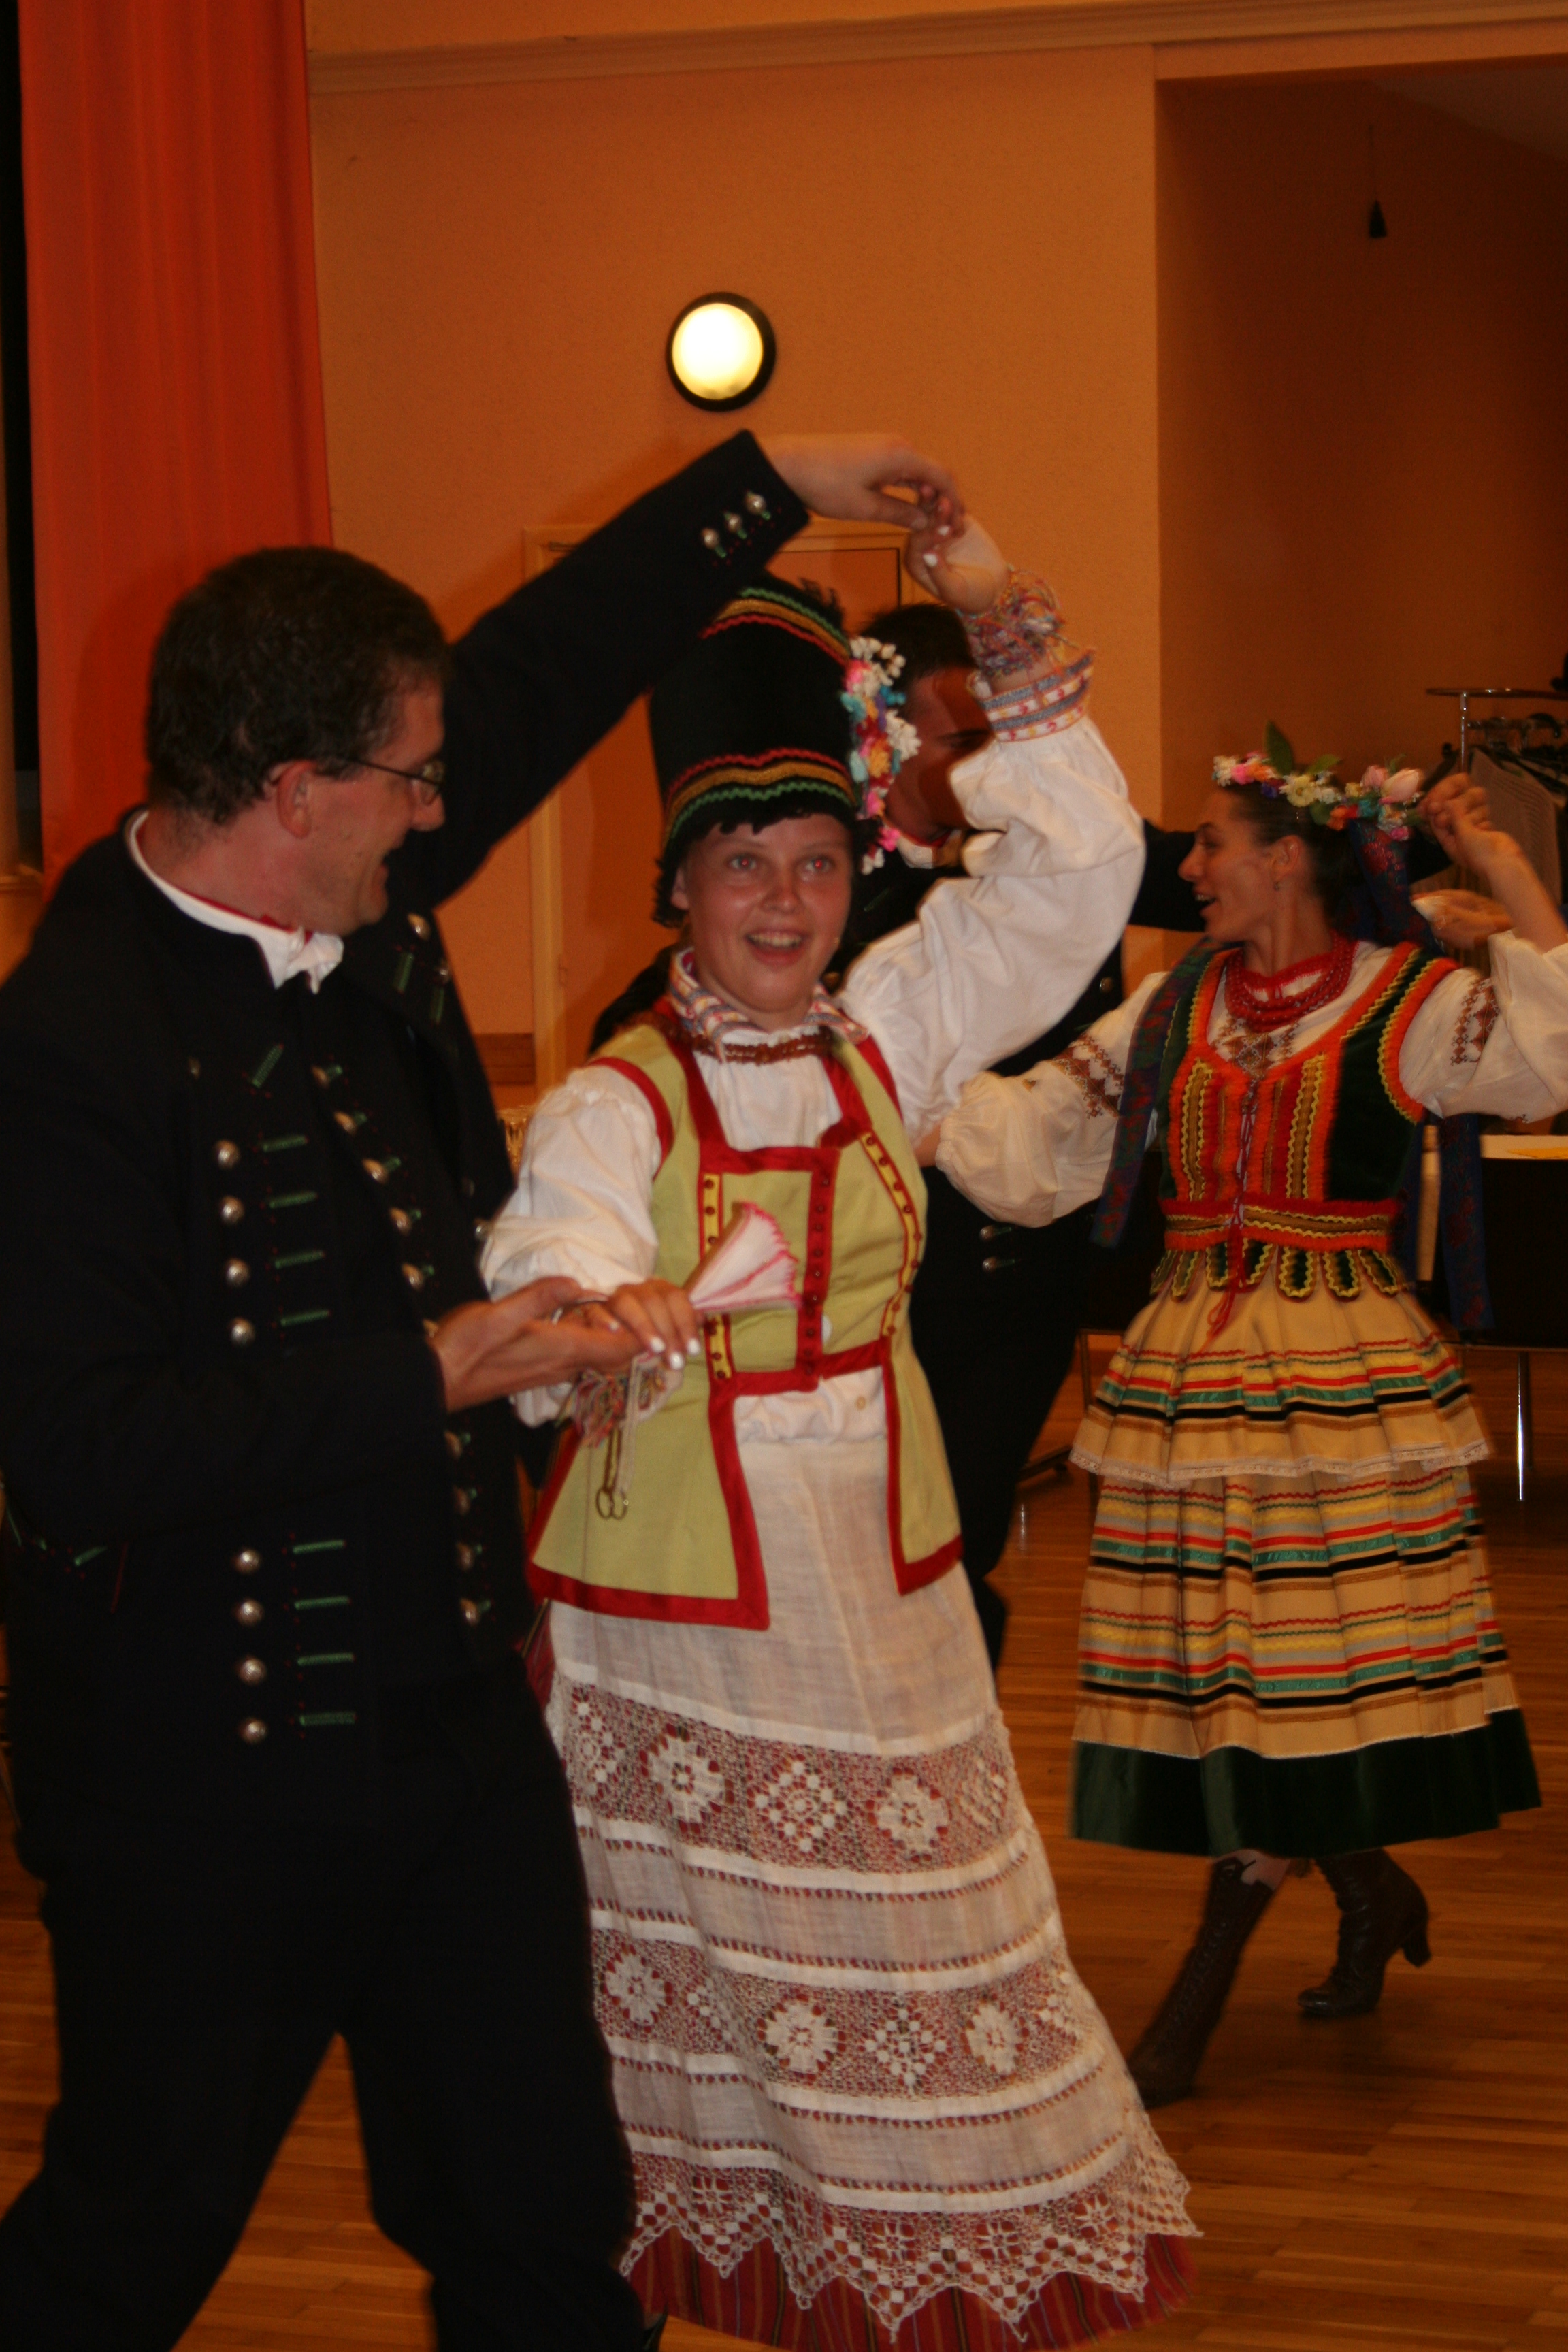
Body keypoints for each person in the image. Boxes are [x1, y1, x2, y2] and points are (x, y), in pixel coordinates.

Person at [0, 429, 970, 2352]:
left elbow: (548, 660)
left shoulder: (355, 887)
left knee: (547, 2221)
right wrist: (440, 1365)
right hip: (205, 1767)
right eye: (412, 781)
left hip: (450, 1723)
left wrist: (779, 475)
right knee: (133, 2234)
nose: (440, 812)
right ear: (294, 789)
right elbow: (79, 1449)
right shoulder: (73, 1035)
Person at [483, 526, 1195, 2349]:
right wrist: (606, 1307)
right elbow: (550, 1263)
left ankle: (914, 2285)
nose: (787, 902)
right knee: (707, 1974)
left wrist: (1002, 616)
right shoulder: (614, 1096)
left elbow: (1083, 873)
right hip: (680, 1595)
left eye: (815, 861)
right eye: (745, 866)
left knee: (921, 1947)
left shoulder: (889, 1029)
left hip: (881, 1576)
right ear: (680, 886)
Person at [932, 744, 1562, 2108]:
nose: (1192, 867)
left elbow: (1546, 1062)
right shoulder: (1178, 1004)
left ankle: (1192, 2011)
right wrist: (888, 1065)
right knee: (1242, 1677)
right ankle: (1371, 1886)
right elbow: (1036, 1140)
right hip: (1189, 1375)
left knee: (1281, 1676)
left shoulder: (1405, 997)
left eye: (1212, 843)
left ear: (1287, 861)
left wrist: (1506, 870)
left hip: (1339, 1384)